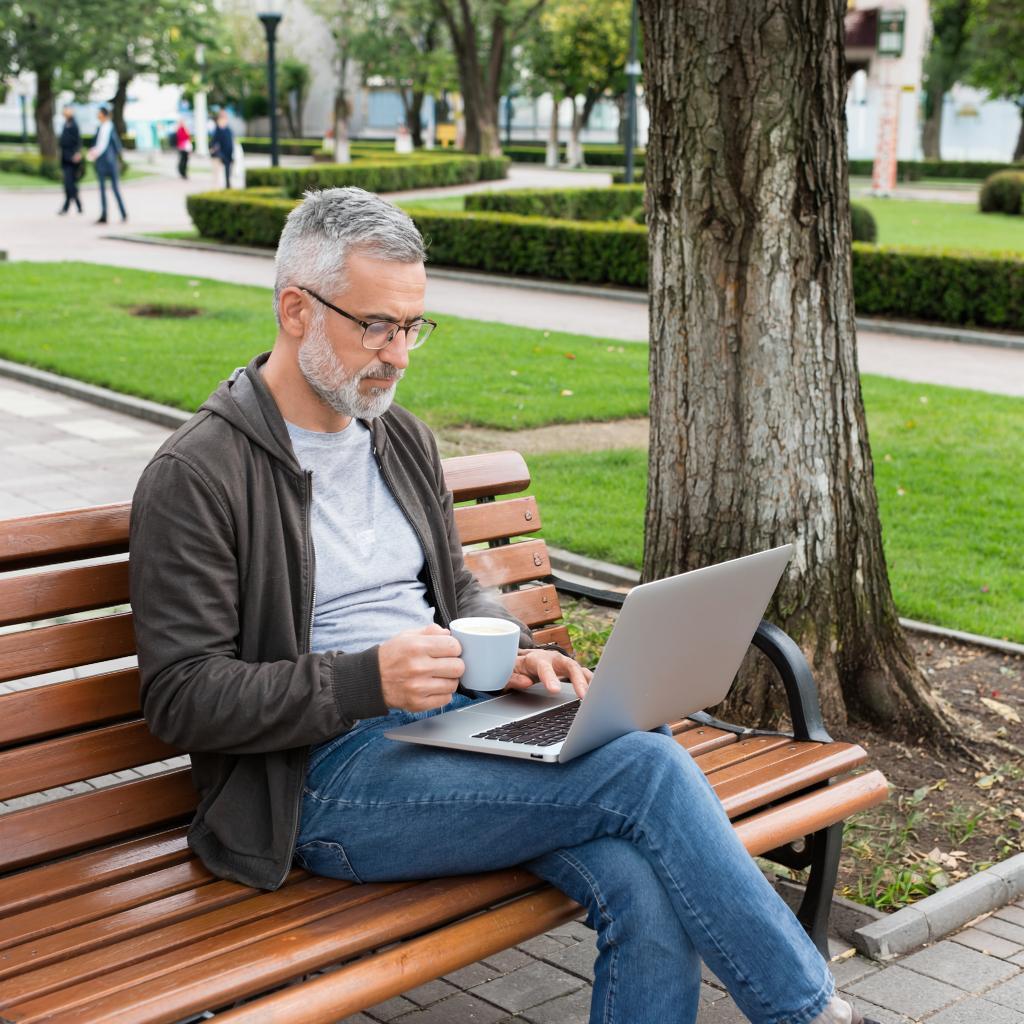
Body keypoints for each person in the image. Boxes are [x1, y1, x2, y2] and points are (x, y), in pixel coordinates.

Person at [129, 187, 878, 1024]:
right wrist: (362, 680)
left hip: (455, 723)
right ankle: (808, 1012)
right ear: (296, 310)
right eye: (376, 325)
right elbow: (180, 696)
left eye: (413, 326)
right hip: (319, 784)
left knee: (643, 863)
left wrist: (512, 650)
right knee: (646, 770)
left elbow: (454, 584)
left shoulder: (397, 436)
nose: (399, 354)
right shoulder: (198, 475)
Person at [87, 106, 127, 224]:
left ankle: (123, 213)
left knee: (115, 189)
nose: (97, 115)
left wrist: (119, 160)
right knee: (102, 189)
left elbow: (116, 146)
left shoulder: (110, 127)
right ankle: (104, 214)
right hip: (101, 162)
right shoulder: (100, 128)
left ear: (103, 114)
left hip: (110, 162)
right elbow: (97, 144)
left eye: (99, 113)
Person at [58, 106, 83, 216]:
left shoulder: (74, 125)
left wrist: (77, 153)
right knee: (69, 184)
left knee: (69, 184)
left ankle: (67, 207)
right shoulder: (65, 124)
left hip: (72, 159)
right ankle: (77, 205)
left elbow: (78, 141)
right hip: (65, 158)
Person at [210, 110, 234, 189]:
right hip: (219, 155)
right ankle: (217, 188)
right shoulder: (217, 130)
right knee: (217, 174)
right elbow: (213, 143)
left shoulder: (228, 130)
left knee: (228, 172)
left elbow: (230, 143)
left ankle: (228, 185)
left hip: (228, 154)